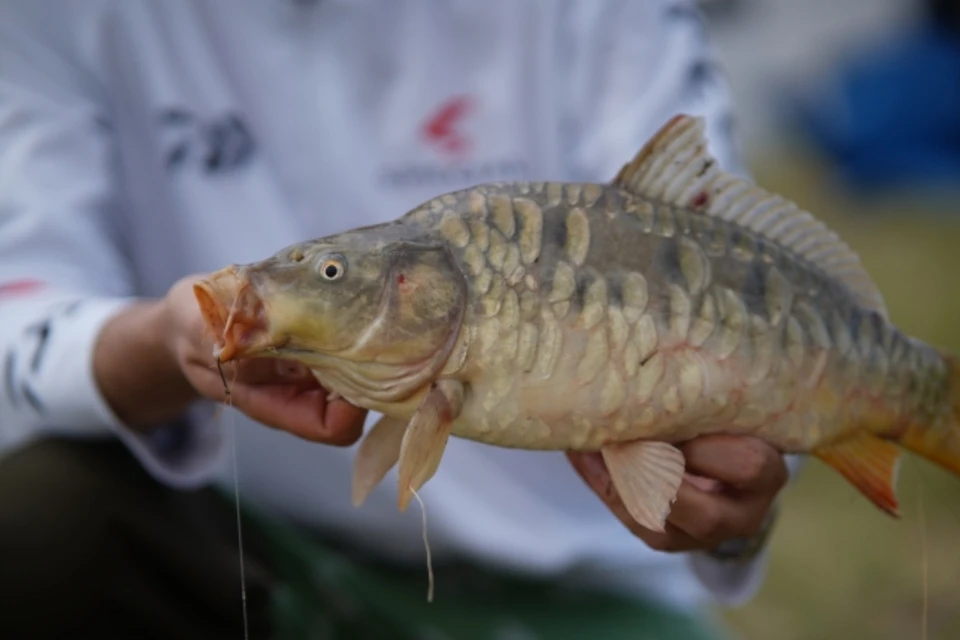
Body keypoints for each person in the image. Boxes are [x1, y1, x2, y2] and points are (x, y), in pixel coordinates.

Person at [0, 1, 796, 638]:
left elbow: (747, 299)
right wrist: (161, 345)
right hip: (255, 548)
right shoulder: (50, 17)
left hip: (583, 582)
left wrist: (733, 501)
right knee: (36, 516)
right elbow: (20, 320)